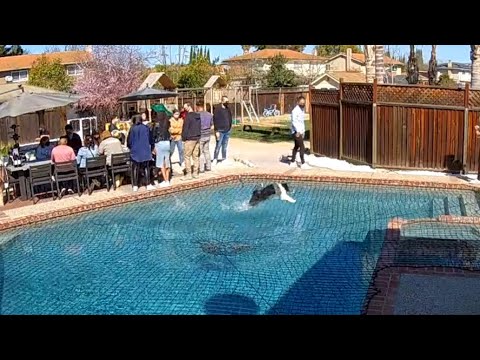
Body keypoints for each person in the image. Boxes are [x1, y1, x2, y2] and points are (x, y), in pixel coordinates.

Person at [127, 114, 155, 192]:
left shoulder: (132, 129)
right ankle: (148, 184)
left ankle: (135, 185)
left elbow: (129, 141)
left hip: (135, 151)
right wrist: (151, 148)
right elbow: (151, 139)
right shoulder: (146, 128)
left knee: (135, 168)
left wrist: (131, 147)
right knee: (146, 167)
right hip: (145, 150)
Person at [181, 102, 201, 180]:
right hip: (197, 138)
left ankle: (188, 174)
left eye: (185, 107)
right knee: (196, 156)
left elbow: (185, 128)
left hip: (189, 138)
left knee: (187, 156)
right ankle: (195, 173)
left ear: (189, 106)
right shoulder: (198, 115)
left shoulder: (188, 117)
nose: (184, 109)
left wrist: (183, 138)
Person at [290, 96, 311, 170]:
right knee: (302, 147)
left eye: (304, 103)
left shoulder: (301, 110)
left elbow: (301, 122)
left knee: (296, 146)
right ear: (298, 102)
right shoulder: (295, 111)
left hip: (300, 131)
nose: (303, 104)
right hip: (296, 132)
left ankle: (292, 162)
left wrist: (303, 131)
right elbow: (294, 122)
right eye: (301, 102)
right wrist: (298, 131)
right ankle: (303, 163)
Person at [152, 112, 172, 187]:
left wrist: (153, 147)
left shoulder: (156, 124)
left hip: (159, 143)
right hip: (167, 143)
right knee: (167, 162)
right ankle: (168, 180)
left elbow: (153, 136)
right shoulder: (167, 123)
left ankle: (165, 180)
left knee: (161, 163)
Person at [212, 96, 233, 165]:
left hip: (227, 130)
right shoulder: (217, 110)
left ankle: (224, 158)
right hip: (220, 131)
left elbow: (230, 118)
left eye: (227, 101)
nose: (227, 102)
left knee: (225, 146)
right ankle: (215, 158)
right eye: (225, 101)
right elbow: (215, 121)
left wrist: (230, 127)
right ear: (222, 101)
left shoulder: (228, 109)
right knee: (218, 145)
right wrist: (216, 131)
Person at [197, 101, 214, 172]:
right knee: (207, 151)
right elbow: (212, 125)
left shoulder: (197, 115)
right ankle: (208, 166)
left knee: (200, 152)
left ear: (198, 107)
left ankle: (201, 168)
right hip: (208, 135)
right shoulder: (209, 115)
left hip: (201, 135)